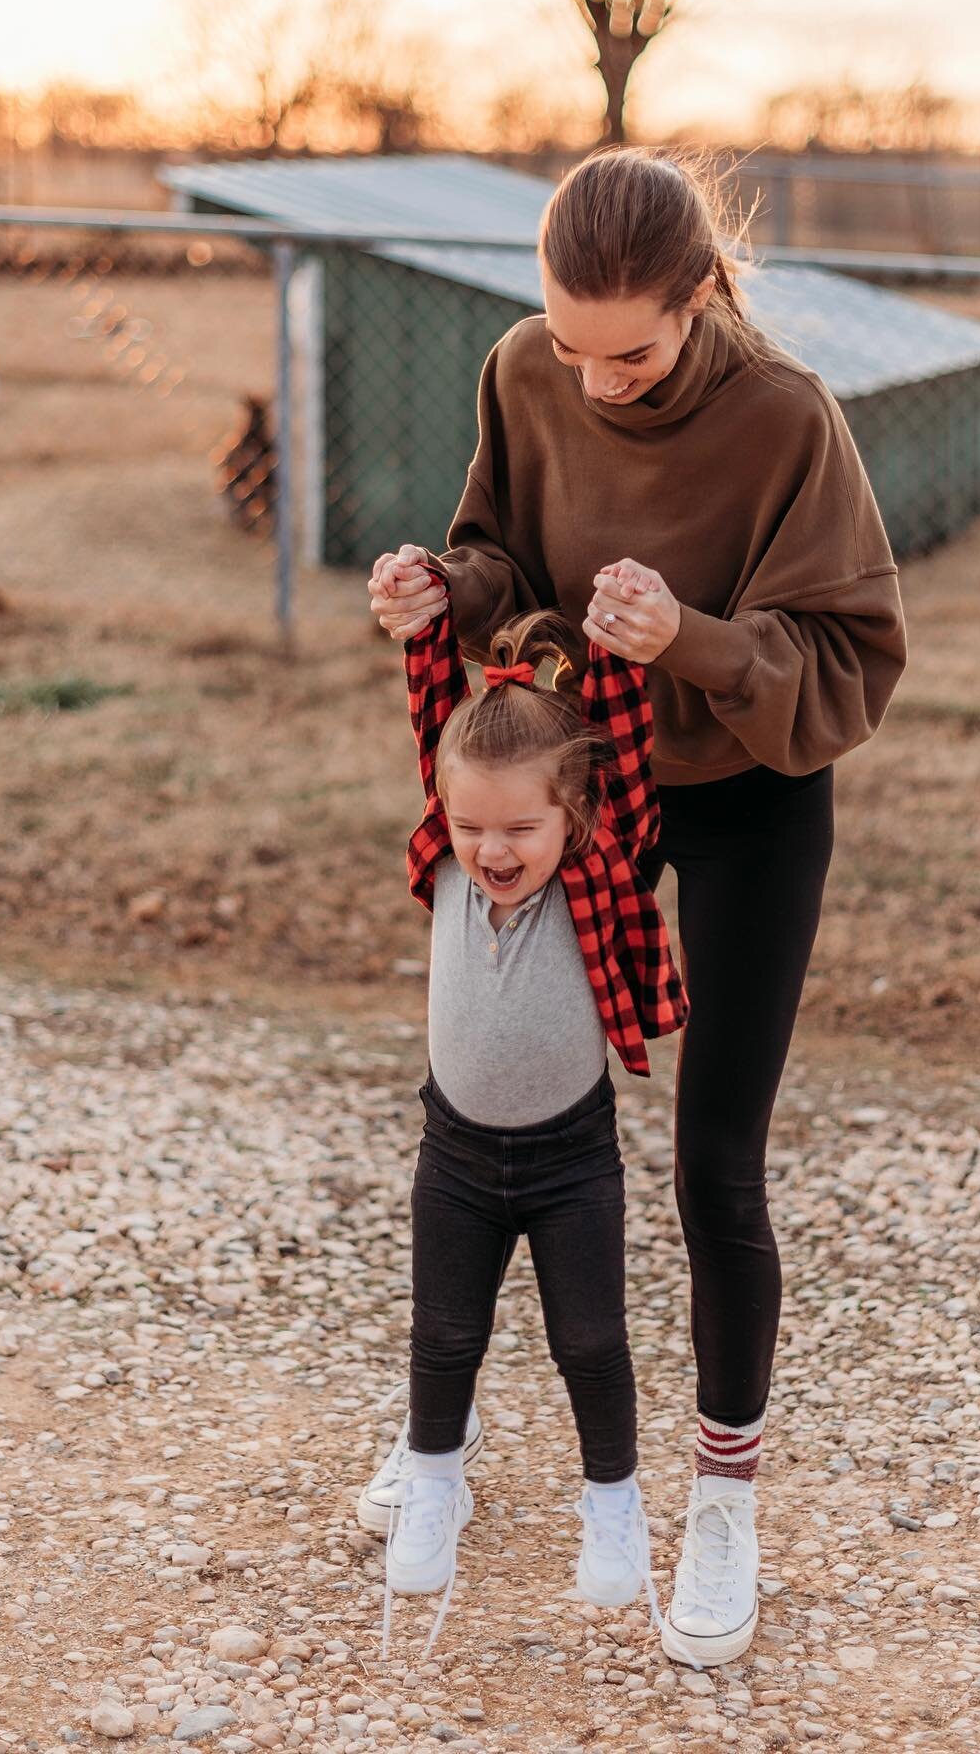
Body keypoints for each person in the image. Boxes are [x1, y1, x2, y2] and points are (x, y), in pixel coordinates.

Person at [366, 146, 908, 1669]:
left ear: (699, 296)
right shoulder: (523, 369)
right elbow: (501, 559)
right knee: (484, 1095)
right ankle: (435, 1438)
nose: (595, 379)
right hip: (590, 772)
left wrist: (696, 638)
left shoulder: (787, 420)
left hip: (745, 792)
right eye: (569, 341)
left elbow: (850, 666)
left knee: (716, 1169)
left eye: (634, 349)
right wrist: (442, 592)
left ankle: (722, 1502)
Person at [374, 570, 688, 1659]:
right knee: (444, 1334)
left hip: (570, 1162)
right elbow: (431, 719)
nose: (492, 852)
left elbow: (627, 755)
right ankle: (432, 1484)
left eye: (519, 828)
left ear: (576, 819)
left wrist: (619, 647)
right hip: (454, 1155)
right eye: (470, 826)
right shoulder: (452, 860)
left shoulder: (598, 869)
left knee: (590, 1338)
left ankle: (613, 1507)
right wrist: (422, 626)